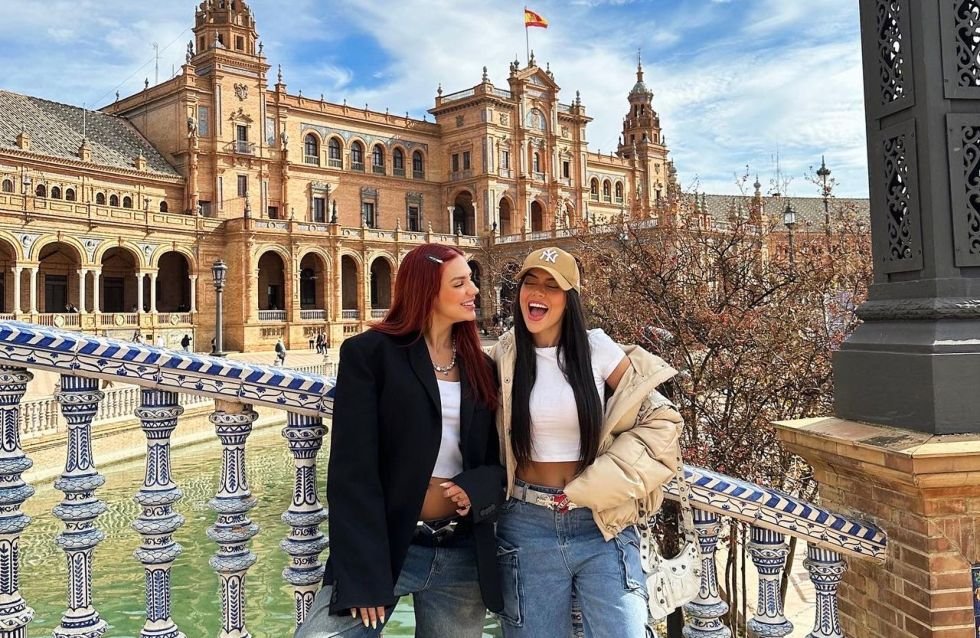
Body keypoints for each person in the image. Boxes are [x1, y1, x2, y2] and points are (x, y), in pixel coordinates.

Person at [296, 243, 504, 638]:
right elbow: (352, 471)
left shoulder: (481, 365)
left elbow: (499, 459)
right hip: (389, 546)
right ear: (426, 291)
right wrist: (362, 575)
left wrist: (479, 487)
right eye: (459, 283)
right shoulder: (370, 354)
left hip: (461, 551)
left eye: (471, 280)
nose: (474, 290)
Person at [491, 246, 683, 638]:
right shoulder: (505, 355)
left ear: (570, 299)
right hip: (526, 523)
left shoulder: (597, 349)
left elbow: (661, 419)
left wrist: (597, 484)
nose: (538, 292)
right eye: (530, 282)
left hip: (600, 521)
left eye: (552, 286)